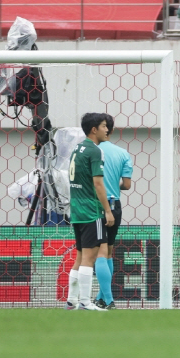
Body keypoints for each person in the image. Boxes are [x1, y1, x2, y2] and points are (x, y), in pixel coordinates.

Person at [65, 113, 114, 311]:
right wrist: (108, 211)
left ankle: (72, 301)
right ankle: (85, 302)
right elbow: (98, 183)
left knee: (79, 256)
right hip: (91, 211)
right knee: (89, 258)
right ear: (94, 129)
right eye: (104, 126)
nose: (107, 130)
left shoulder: (77, 148)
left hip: (76, 209)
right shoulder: (95, 151)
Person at [93, 114, 133, 310]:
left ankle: (108, 301)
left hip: (97, 206)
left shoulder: (90, 152)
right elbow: (126, 185)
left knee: (99, 252)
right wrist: (113, 187)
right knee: (108, 252)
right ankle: (101, 298)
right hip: (115, 204)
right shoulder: (123, 154)